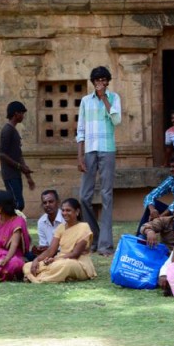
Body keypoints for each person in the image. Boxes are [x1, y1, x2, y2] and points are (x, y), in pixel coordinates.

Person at [76, 66, 122, 256]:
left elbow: (117, 121)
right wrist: (80, 156)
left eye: (103, 80)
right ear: (93, 82)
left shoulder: (114, 98)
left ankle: (105, 245)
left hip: (107, 150)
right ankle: (94, 236)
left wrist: (104, 99)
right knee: (84, 196)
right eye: (97, 80)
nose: (100, 83)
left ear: (107, 81)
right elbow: (80, 130)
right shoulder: (85, 101)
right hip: (89, 151)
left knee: (106, 195)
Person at [24, 198, 97, 283]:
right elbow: (51, 250)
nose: (64, 213)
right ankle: (59, 276)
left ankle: (40, 278)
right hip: (59, 260)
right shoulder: (61, 228)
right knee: (27, 265)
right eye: (63, 210)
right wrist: (36, 260)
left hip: (77, 263)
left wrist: (55, 259)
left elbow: (75, 254)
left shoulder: (84, 227)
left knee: (66, 265)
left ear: (77, 211)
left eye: (68, 210)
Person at [0, 100, 36, 211]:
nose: (23, 116)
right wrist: (20, 167)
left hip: (15, 174)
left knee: (18, 204)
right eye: (22, 113)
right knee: (17, 204)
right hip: (9, 175)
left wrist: (28, 176)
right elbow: (1, 154)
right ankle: (7, 226)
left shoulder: (13, 131)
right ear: (16, 114)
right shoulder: (7, 130)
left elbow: (18, 154)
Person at [137, 158, 174, 232]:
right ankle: (141, 236)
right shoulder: (171, 179)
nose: (171, 169)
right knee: (152, 205)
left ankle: (144, 233)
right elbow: (151, 195)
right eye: (170, 167)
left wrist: (159, 218)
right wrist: (152, 210)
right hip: (173, 211)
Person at [34, 189, 65, 257]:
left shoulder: (65, 219)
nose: (47, 205)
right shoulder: (41, 222)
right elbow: (43, 244)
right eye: (44, 203)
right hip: (49, 255)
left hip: (65, 255)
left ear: (58, 202)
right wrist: (41, 249)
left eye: (51, 202)